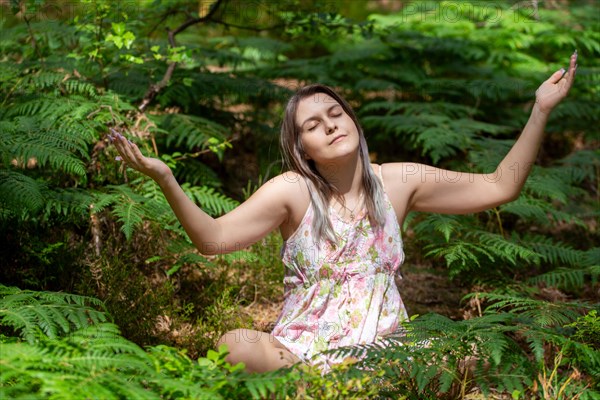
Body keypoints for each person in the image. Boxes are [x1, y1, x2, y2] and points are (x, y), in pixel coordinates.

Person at [110, 52, 577, 373]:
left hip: (387, 351)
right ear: (303, 149)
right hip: (301, 357)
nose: (329, 124)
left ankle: (362, 387)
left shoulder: (400, 180)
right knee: (235, 345)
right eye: (312, 125)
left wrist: (540, 110)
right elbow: (212, 240)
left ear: (352, 118)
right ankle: (322, 391)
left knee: (471, 348)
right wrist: (166, 178)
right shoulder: (291, 190)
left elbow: (500, 185)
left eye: (335, 113)